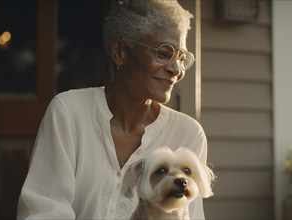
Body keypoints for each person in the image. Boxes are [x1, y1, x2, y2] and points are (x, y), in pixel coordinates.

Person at [17, 0, 210, 219]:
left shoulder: (188, 133)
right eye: (163, 53)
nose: (176, 70)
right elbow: (45, 211)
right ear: (119, 52)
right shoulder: (69, 112)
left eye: (181, 57)